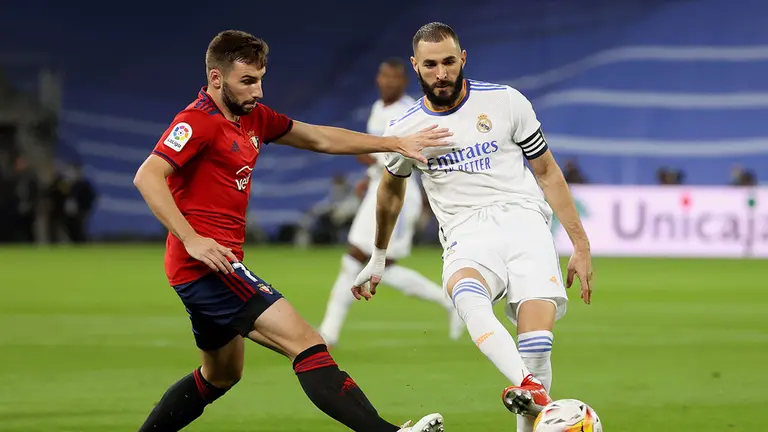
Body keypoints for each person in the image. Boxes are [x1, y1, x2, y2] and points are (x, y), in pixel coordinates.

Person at [133, 30, 449, 432]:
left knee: (220, 375)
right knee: (307, 342)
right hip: (209, 268)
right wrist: (192, 239)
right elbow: (148, 176)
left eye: (261, 79)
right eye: (247, 81)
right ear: (216, 78)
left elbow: (319, 137)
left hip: (209, 267)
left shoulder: (253, 118)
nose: (259, 91)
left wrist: (392, 142)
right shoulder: (196, 122)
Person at [351, 22, 593, 432]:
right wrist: (378, 256)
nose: (441, 73)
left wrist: (581, 246)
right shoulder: (403, 130)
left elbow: (547, 171)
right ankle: (536, 393)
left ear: (463, 58)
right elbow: (389, 193)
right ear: (416, 66)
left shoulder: (505, 101)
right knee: (466, 294)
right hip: (466, 232)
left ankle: (531, 388)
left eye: (449, 61)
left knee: (536, 348)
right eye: (431, 65)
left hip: (525, 222)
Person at [319, 58, 463, 347]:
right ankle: (328, 332)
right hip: (377, 186)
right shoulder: (378, 109)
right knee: (366, 260)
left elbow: (404, 153)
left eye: (393, 77)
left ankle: (328, 332)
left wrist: (368, 155)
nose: (387, 82)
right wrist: (370, 172)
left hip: (401, 191)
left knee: (367, 258)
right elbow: (378, 154)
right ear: (378, 79)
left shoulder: (409, 111)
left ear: (404, 82)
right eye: (383, 76)